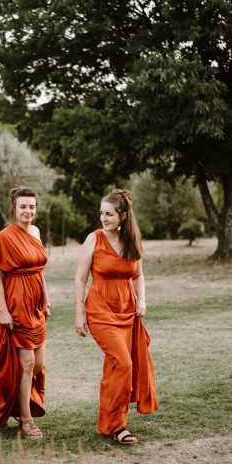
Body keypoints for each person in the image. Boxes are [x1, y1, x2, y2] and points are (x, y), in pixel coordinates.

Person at [74, 188, 159, 444]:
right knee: (123, 363)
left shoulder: (132, 241)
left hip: (127, 311)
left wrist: (142, 299)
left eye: (109, 214)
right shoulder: (94, 239)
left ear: (123, 216)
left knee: (116, 367)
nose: (103, 217)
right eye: (101, 213)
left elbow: (138, 275)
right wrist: (79, 313)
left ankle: (112, 424)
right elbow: (80, 278)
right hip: (100, 309)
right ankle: (118, 425)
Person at [0, 186, 50, 439]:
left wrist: (47, 297)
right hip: (15, 302)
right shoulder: (4, 237)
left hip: (36, 303)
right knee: (28, 363)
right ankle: (25, 419)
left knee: (38, 364)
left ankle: (15, 399)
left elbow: (39, 269)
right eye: (23, 206)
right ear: (14, 208)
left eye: (32, 206)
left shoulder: (36, 231)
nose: (28, 211)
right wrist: (3, 310)